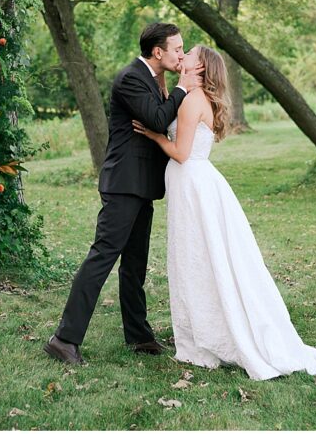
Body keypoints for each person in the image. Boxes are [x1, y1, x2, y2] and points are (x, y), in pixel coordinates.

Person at [132, 45, 316, 380]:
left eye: (189, 53)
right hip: (190, 188)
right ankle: (200, 332)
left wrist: (153, 135)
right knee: (193, 259)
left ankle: (212, 335)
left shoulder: (194, 101)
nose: (185, 55)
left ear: (201, 66)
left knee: (200, 259)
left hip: (195, 187)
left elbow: (180, 153)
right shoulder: (187, 96)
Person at [44, 22, 201, 366]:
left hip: (142, 185)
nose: (181, 54)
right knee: (102, 256)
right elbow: (158, 120)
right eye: (177, 48)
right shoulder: (131, 77)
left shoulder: (154, 80)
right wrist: (183, 89)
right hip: (123, 185)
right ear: (157, 51)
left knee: (135, 265)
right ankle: (65, 339)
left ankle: (139, 336)